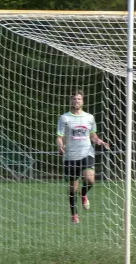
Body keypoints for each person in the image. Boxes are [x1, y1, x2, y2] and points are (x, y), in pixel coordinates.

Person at [57, 90, 110, 224]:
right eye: (74, 99)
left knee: (90, 180)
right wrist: (60, 146)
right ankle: (74, 214)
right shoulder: (64, 118)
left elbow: (93, 135)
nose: (77, 101)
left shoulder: (89, 117)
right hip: (71, 156)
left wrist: (100, 141)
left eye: (79, 99)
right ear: (71, 101)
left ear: (83, 101)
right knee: (72, 188)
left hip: (87, 152)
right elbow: (59, 137)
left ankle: (84, 194)